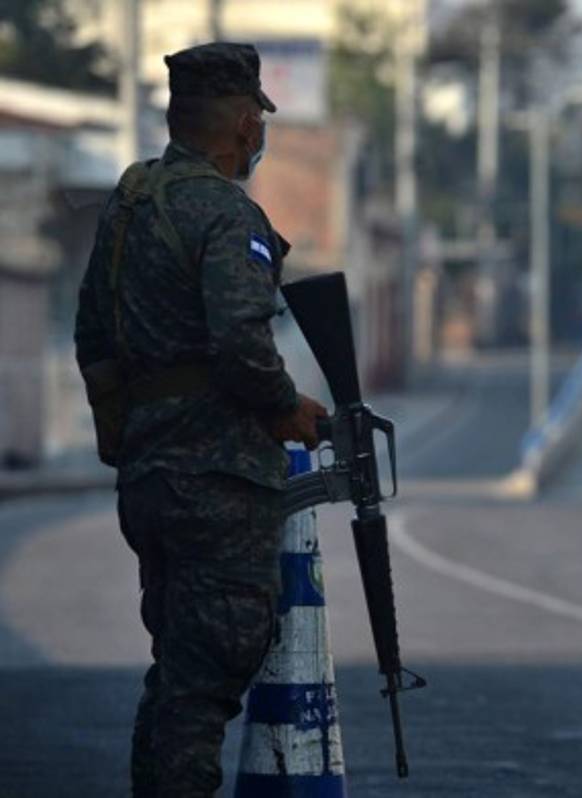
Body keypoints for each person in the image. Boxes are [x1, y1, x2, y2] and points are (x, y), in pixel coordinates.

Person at [74, 43, 328, 796]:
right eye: (259, 125)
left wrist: (126, 434)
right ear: (247, 126)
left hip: (151, 475)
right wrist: (287, 410)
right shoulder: (225, 212)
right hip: (216, 478)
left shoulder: (130, 201)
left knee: (177, 671)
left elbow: (93, 336)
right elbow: (243, 345)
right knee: (207, 675)